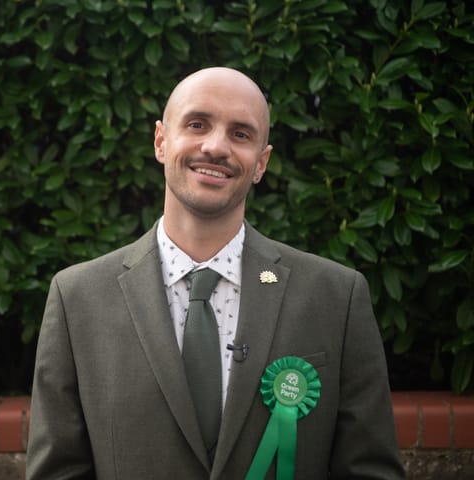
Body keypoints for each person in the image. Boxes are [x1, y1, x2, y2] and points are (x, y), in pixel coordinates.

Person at [26, 67, 404, 479]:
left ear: (261, 163)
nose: (215, 146)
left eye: (240, 134)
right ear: (160, 141)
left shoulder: (336, 297)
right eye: (197, 124)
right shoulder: (77, 298)